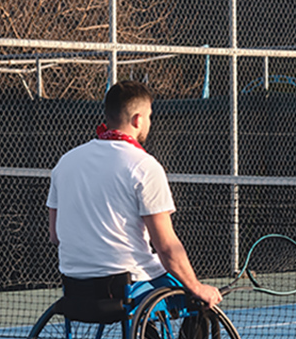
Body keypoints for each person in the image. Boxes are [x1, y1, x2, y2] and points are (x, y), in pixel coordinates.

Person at [46, 80, 221, 311]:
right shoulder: (144, 167)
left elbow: (55, 235)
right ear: (138, 119)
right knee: (197, 299)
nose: (149, 123)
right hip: (128, 287)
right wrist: (197, 287)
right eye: (149, 117)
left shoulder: (65, 162)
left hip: (75, 287)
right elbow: (166, 246)